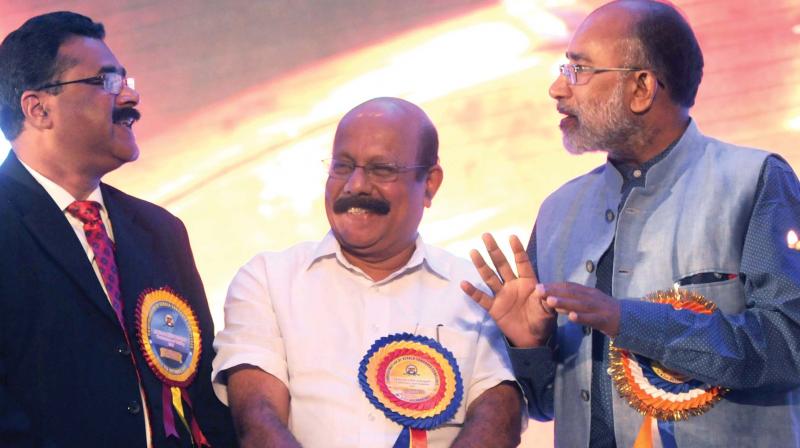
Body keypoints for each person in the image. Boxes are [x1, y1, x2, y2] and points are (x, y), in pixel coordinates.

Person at [461, 0, 800, 446]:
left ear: (641, 88)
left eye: (578, 71)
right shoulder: (560, 210)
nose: (557, 90)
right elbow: (544, 403)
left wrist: (628, 320)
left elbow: (788, 346)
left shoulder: (754, 181)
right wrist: (531, 347)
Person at [211, 97, 523, 447]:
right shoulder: (267, 280)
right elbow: (259, 420)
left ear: (430, 183)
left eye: (382, 169)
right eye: (342, 166)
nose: (356, 185)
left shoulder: (477, 292)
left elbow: (498, 420)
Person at [0, 12, 236, 447]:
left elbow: (200, 390)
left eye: (127, 81)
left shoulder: (160, 231)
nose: (130, 97)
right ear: (38, 108)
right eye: (107, 82)